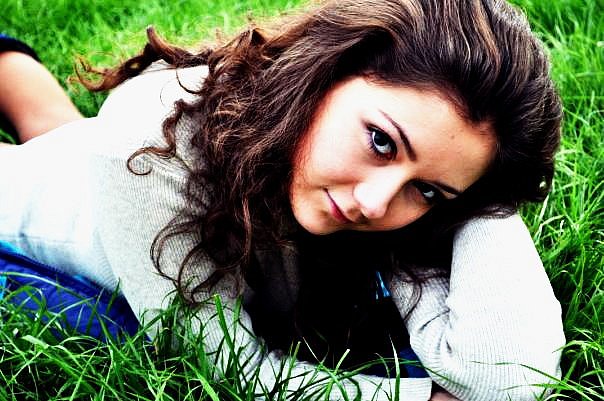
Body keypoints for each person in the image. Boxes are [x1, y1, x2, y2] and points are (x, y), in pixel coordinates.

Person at [0, 0, 566, 400]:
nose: (374, 204)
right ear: (327, 69)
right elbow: (225, 368)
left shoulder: (406, 189)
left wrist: (482, 193)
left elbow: (509, 381)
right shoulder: (147, 143)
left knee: (55, 129)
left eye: (427, 190)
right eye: (380, 141)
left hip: (80, 160)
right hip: (28, 209)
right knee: (97, 311)